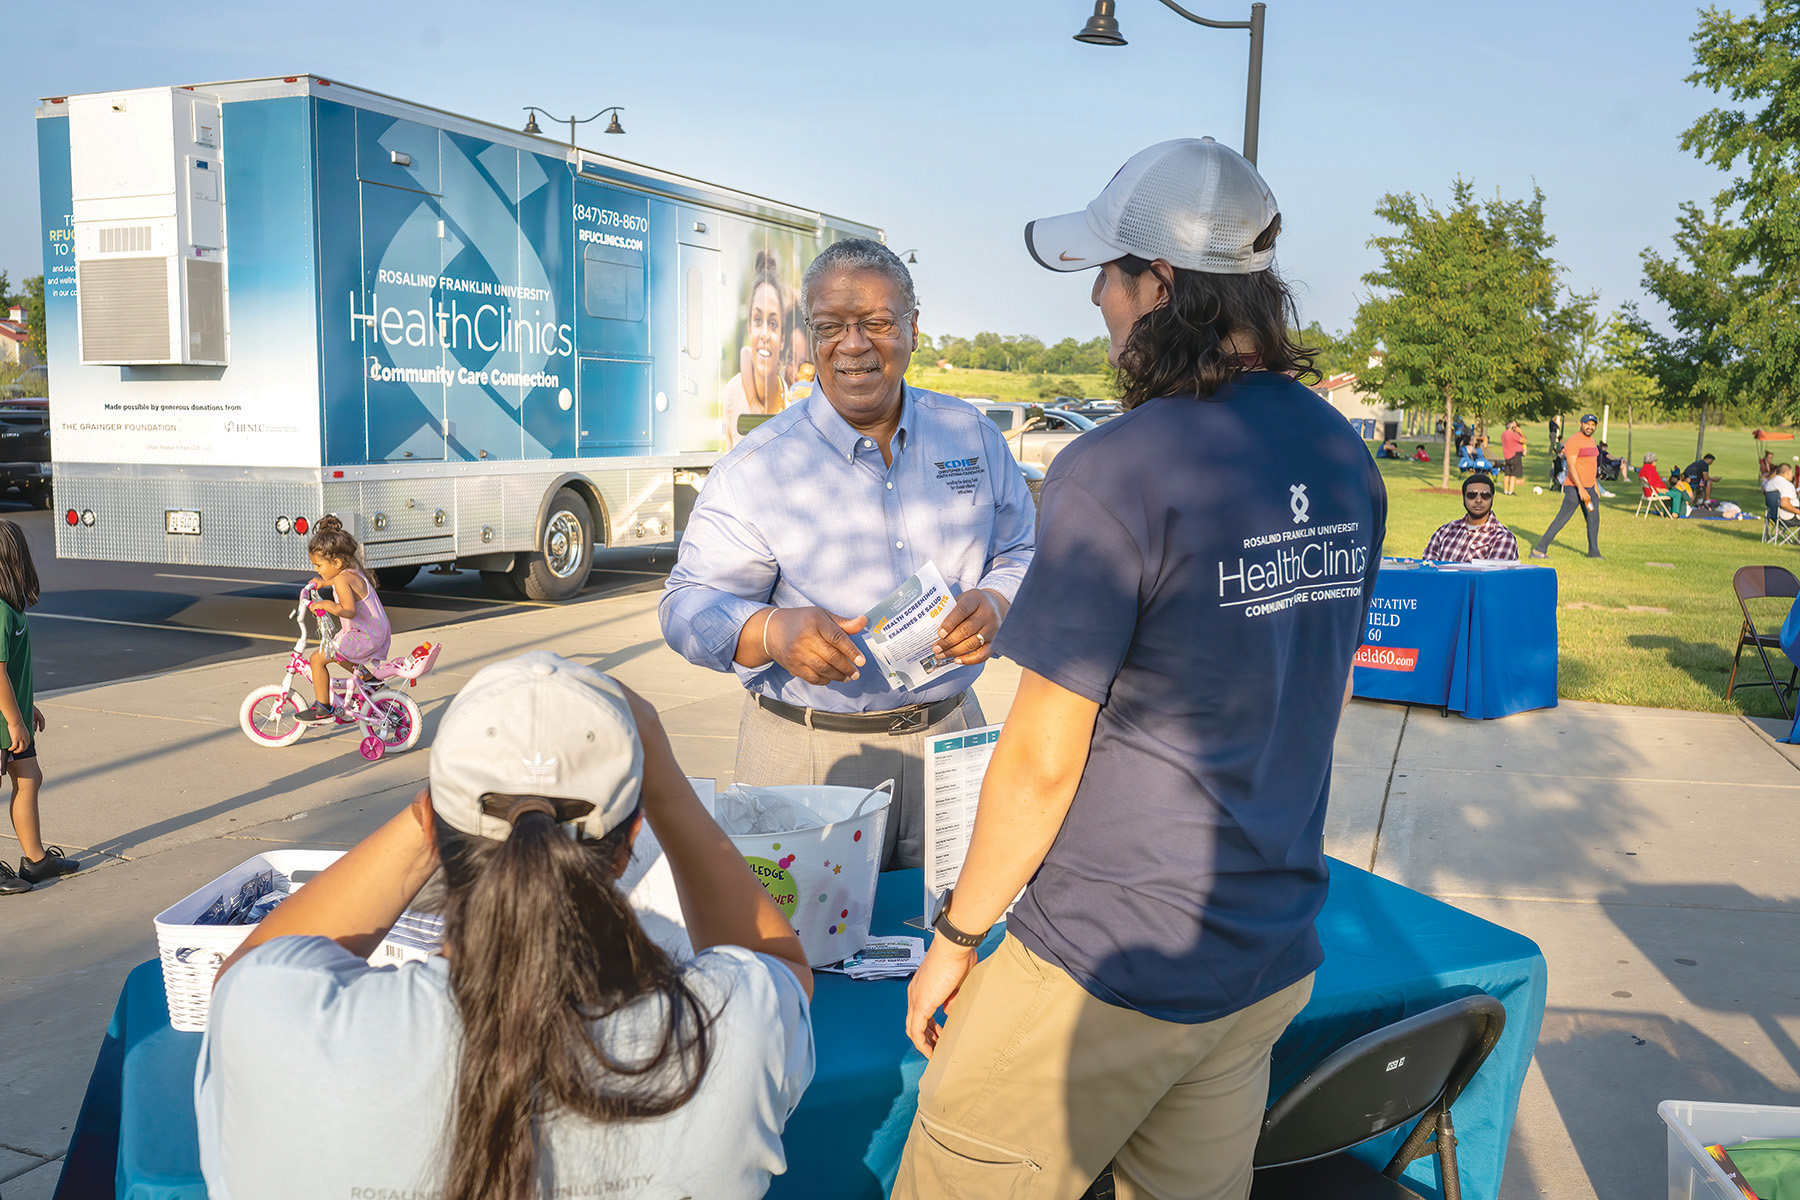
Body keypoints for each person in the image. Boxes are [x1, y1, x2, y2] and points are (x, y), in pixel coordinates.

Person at [895, 137, 1386, 1200]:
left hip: (1105, 961)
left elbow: (1038, 756)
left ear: (1161, 284)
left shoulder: (1117, 468)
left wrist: (957, 938)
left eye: (1106, 277)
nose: (1097, 306)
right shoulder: (1343, 453)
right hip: (1263, 953)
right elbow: (1324, 687)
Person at [198, 653, 815, 1200]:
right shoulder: (727, 1029)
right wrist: (669, 788)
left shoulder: (276, 1024)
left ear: (438, 830)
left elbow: (248, 973)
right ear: (629, 842)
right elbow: (775, 964)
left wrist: (433, 815)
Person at [660, 239, 1036, 872]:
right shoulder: (757, 469)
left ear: (914, 329)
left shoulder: (971, 436)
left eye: (877, 324)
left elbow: (1024, 549)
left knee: (961, 941)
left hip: (950, 737)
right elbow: (683, 605)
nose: (854, 345)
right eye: (831, 327)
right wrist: (768, 630)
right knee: (801, 955)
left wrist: (1000, 600)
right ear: (811, 337)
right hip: (805, 752)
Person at [0, 522, 77, 896]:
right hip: (2, 721)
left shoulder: (9, 610)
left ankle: (35, 860)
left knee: (29, 778)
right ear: (14, 561)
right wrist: (14, 720)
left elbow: (12, 670)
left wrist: (26, 708)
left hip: (11, 717)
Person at [294, 516, 392, 724]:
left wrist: (325, 605)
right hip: (373, 631)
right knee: (339, 653)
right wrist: (323, 582)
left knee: (316, 659)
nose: (315, 569)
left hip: (364, 635)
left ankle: (323, 707)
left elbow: (347, 610)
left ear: (336, 562)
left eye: (318, 565)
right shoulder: (350, 571)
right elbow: (340, 581)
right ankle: (371, 682)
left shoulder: (341, 579)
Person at [722, 250, 792, 448]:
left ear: (783, 337)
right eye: (758, 320)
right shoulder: (733, 392)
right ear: (749, 328)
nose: (765, 334)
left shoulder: (790, 397)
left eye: (773, 323)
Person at [1531, 412, 1603, 559]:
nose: (1590, 427)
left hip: (1589, 490)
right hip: (1575, 490)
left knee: (1593, 517)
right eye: (1587, 424)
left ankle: (1594, 553)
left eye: (1593, 425)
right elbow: (1571, 466)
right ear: (1580, 424)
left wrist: (1595, 485)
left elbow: (1591, 466)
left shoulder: (1591, 441)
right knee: (1562, 519)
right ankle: (1538, 550)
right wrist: (1581, 489)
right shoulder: (1574, 441)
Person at [1423, 473, 1518, 561]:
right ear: (1463, 497)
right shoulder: (1444, 531)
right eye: (1472, 495)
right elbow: (1427, 572)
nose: (1478, 500)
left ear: (1492, 498)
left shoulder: (1503, 538)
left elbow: (1490, 578)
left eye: (1485, 495)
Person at [1764, 462, 1800, 527]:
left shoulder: (1769, 483)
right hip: (1788, 517)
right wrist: (1798, 512)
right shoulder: (1786, 484)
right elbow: (1784, 504)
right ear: (1788, 472)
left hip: (1773, 516)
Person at [1500, 420, 1527, 495]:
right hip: (1514, 455)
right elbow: (1524, 440)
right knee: (1513, 474)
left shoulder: (1504, 434)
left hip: (1507, 456)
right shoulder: (1512, 434)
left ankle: (1505, 490)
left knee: (1507, 474)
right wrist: (1520, 432)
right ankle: (1511, 491)